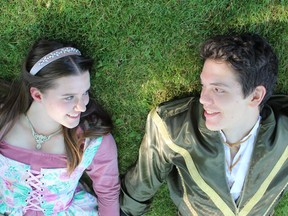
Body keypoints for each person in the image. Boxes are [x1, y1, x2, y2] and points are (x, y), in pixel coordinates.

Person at [120, 33, 288, 215]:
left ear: (255, 96)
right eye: (203, 86)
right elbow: (142, 184)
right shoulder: (175, 126)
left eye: (218, 89)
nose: (203, 99)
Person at [0, 39, 120, 215]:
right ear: (37, 95)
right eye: (69, 97)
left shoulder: (91, 140)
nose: (82, 106)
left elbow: (108, 192)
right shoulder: (4, 121)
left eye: (85, 92)